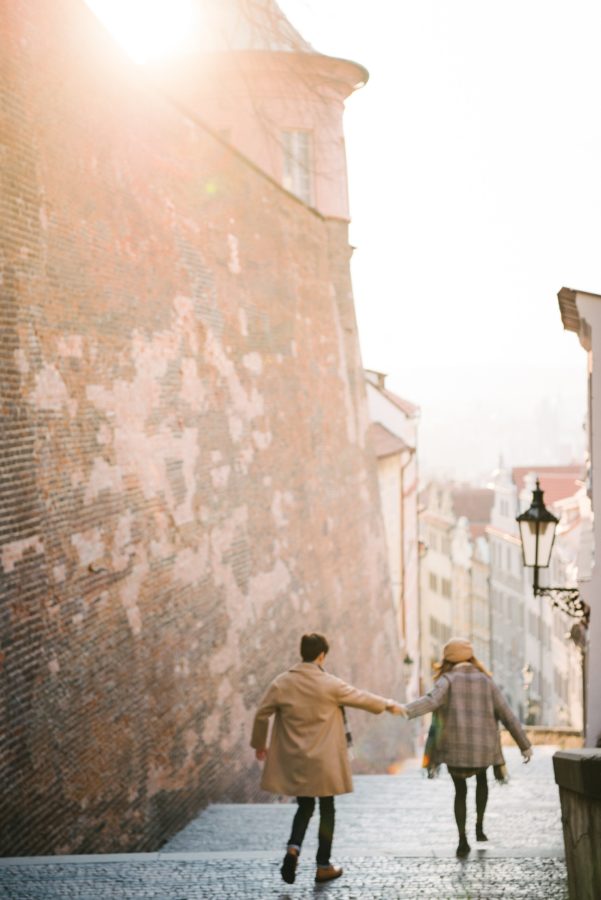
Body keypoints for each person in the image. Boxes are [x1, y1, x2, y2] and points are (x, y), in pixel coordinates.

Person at [250, 632, 404, 884]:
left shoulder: (281, 683)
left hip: (297, 760)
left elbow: (261, 714)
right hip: (325, 763)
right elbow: (361, 697)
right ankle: (323, 865)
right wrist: (388, 704)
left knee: (304, 807)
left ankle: (293, 848)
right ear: (322, 655)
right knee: (327, 810)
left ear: (302, 652)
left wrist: (259, 744)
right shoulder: (330, 684)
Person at [402, 637, 533, 857]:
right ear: (471, 657)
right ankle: (479, 827)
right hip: (484, 748)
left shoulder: (448, 680)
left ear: (448, 660)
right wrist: (524, 746)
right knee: (482, 782)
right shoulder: (486, 681)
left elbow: (431, 701)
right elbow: (507, 714)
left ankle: (462, 840)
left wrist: (404, 710)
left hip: (456, 751)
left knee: (460, 791)